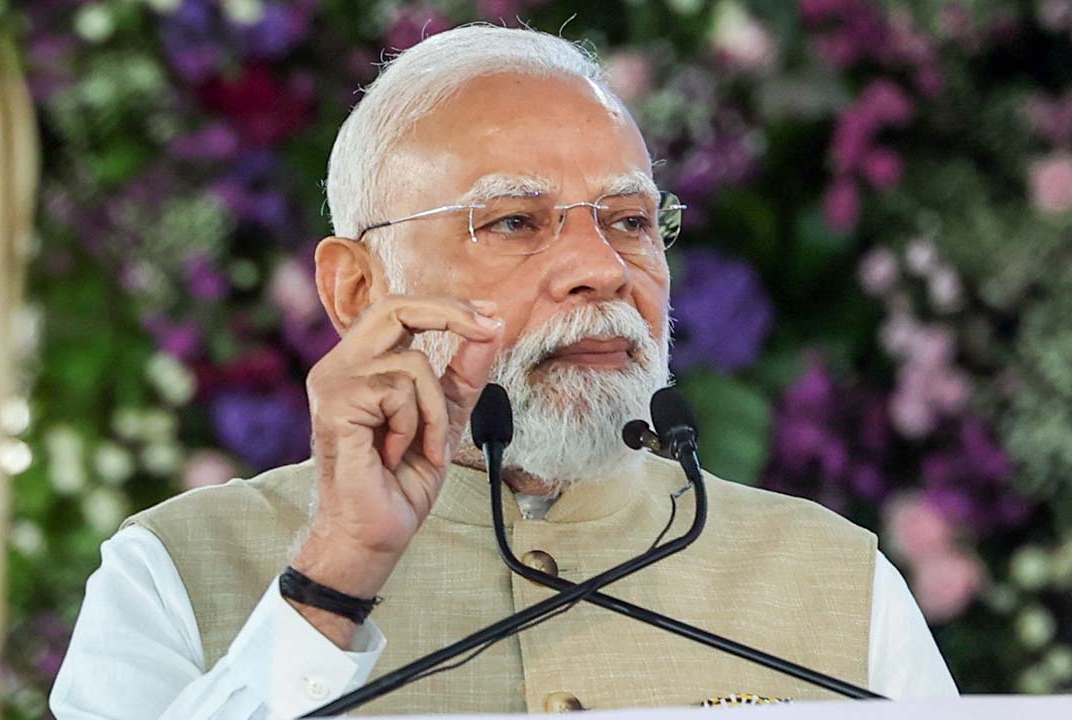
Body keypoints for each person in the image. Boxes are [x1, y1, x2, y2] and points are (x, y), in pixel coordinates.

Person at [50, 25, 957, 718]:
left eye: (631, 221)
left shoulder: (836, 580)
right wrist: (336, 574)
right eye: (517, 222)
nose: (603, 268)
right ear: (359, 287)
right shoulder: (172, 572)